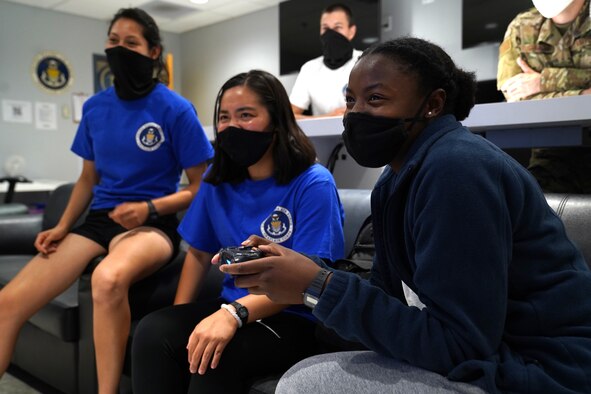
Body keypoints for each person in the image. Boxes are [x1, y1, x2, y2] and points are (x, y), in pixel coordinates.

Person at [220, 37, 591, 393]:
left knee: (307, 383)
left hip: (543, 369)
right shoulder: (397, 177)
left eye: (375, 99)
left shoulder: (457, 169)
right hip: (494, 354)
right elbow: (391, 298)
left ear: (432, 104)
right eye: (351, 101)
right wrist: (301, 270)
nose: (356, 114)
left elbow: (463, 345)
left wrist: (317, 286)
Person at [0, 8, 214, 393]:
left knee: (107, 278)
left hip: (151, 224)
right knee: (8, 302)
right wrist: (63, 226)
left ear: (153, 52)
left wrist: (150, 208)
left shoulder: (175, 109)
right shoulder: (95, 107)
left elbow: (201, 186)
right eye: (113, 41)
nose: (119, 48)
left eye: (130, 42)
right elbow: (87, 179)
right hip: (99, 218)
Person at [131, 70, 345, 394]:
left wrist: (234, 314)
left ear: (276, 121)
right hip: (232, 305)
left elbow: (308, 278)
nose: (232, 127)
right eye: (224, 117)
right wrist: (177, 314)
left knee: (217, 355)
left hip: (294, 316)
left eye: (246, 115)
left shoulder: (313, 183)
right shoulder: (217, 178)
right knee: (153, 330)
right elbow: (199, 252)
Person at [497, 0, 591, 193]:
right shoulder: (522, 27)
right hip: (552, 155)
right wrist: (584, 94)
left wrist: (542, 82)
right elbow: (514, 95)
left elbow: (528, 93)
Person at [289, 3, 362, 118]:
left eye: (338, 27)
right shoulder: (309, 68)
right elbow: (289, 114)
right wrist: (327, 117)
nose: (331, 33)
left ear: (351, 31)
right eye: (325, 28)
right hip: (321, 135)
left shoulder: (365, 62)